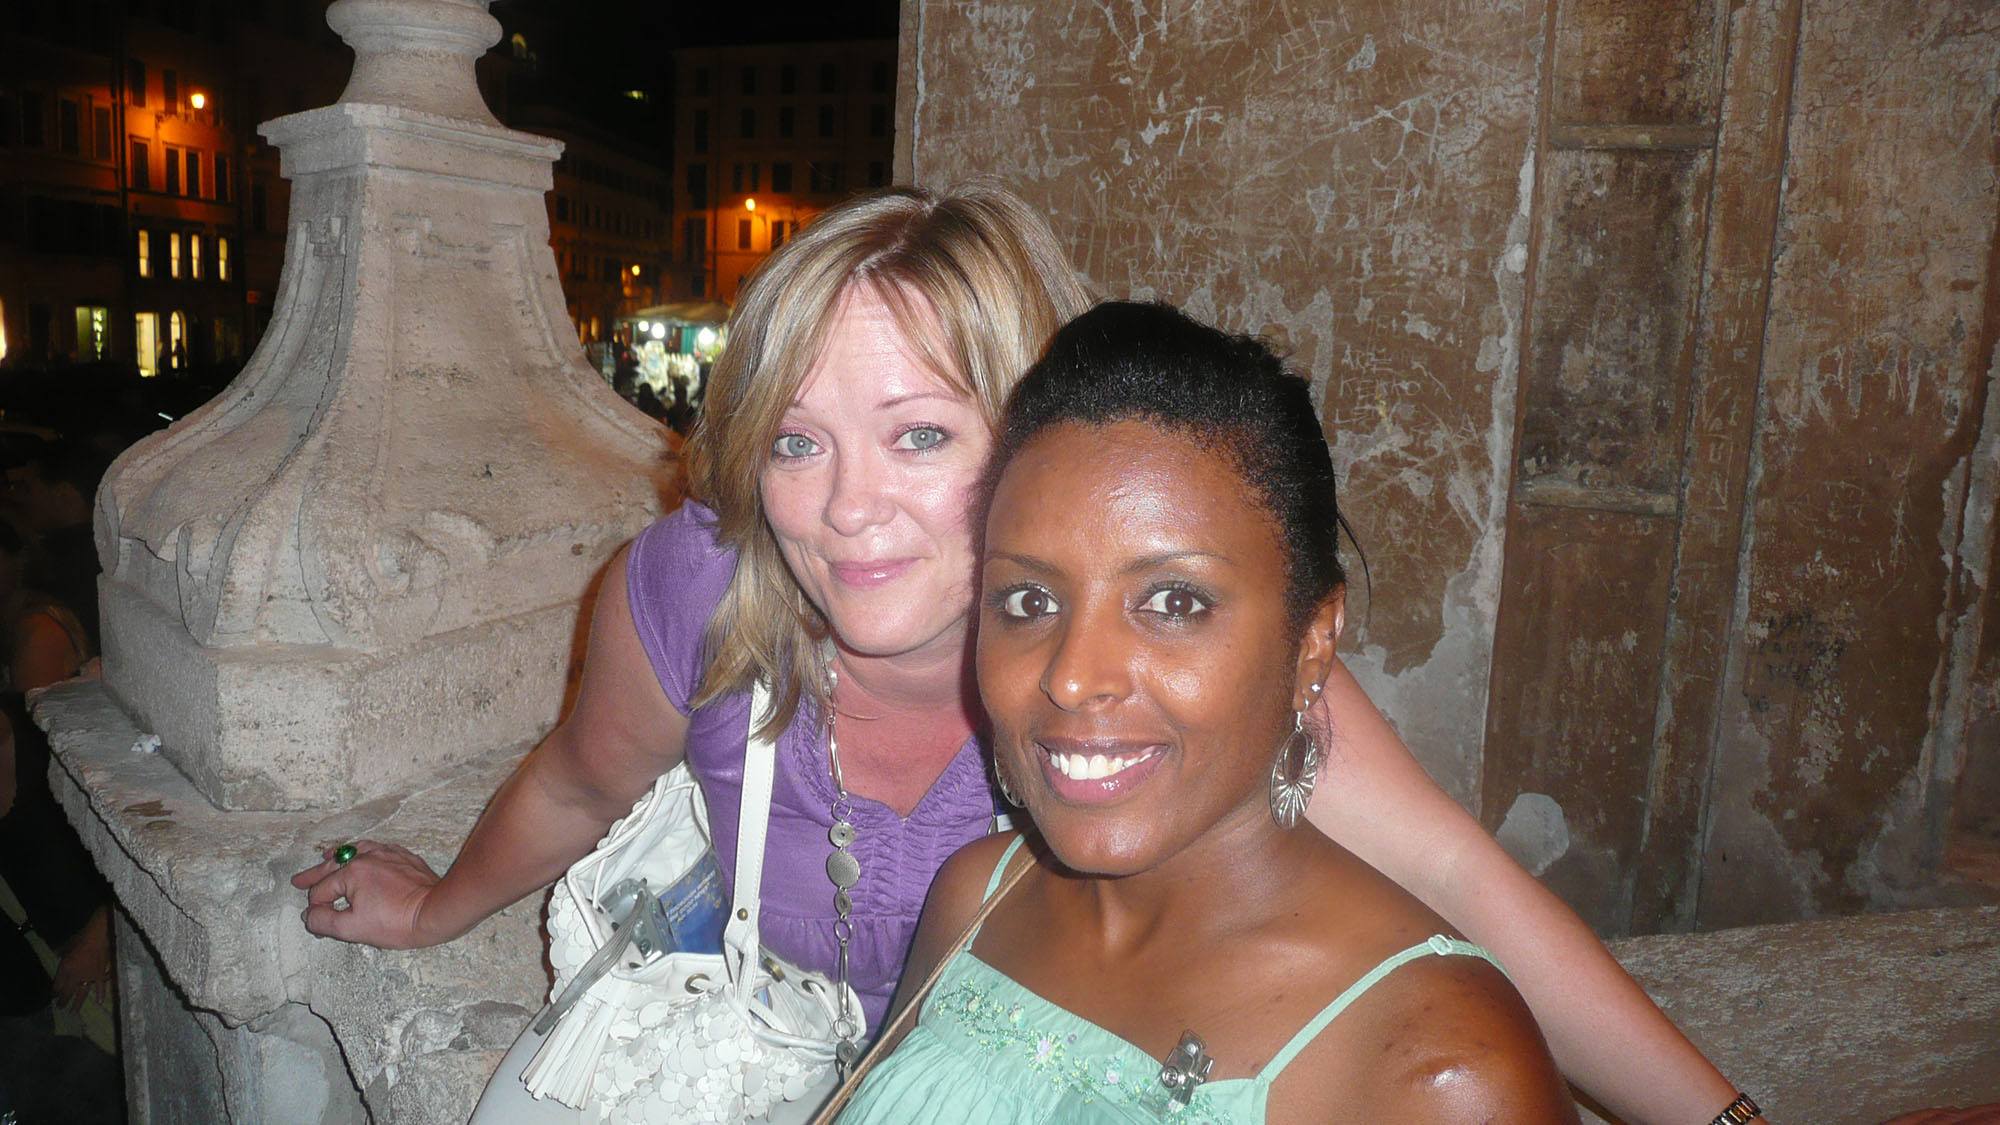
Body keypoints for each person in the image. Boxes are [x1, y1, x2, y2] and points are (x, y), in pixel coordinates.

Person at [292, 185, 1749, 1124]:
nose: (845, 507)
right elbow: (577, 779)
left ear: (1036, 448)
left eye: (919, 435)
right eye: (796, 441)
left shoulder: (1141, 678)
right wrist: (433, 915)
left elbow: (1462, 883)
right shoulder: (697, 586)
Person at [839, 300, 1575, 1122]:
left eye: (1175, 602)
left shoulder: (1437, 1067)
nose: (1074, 678)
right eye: (1030, 598)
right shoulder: (977, 897)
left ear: (1313, 642)